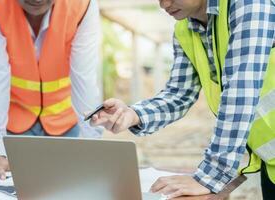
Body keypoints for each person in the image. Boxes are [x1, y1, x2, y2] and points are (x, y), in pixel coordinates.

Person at [89, 0, 275, 199]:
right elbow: (179, 93)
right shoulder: (185, 29)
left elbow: (241, 90)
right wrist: (133, 114)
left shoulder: (251, 4)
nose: (164, 4)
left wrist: (209, 176)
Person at [0, 0, 102, 181]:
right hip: (13, 126)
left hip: (64, 123)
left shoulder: (83, 5)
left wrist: (94, 144)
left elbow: (84, 78)